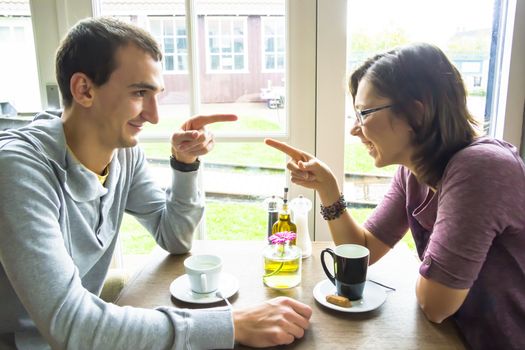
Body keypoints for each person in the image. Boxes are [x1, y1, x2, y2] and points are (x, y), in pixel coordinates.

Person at [0, 17, 311, 349]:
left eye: (156, 95)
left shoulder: (122, 155)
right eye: (139, 93)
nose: (154, 115)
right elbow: (71, 324)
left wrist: (184, 163)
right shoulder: (18, 170)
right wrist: (230, 324)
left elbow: (175, 236)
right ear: (84, 89)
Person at [266, 43, 525, 350]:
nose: (354, 129)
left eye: (364, 113)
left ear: (417, 111)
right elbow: (362, 251)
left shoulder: (481, 168)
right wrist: (328, 189)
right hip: (457, 337)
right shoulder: (414, 173)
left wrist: (429, 275)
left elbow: (436, 304)